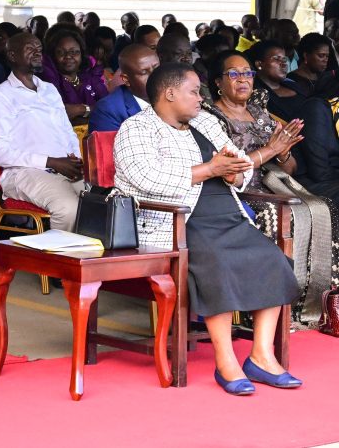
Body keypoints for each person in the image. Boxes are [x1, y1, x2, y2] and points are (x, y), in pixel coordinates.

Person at [114, 63, 301, 394]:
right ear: (170, 94)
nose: (201, 98)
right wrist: (208, 168)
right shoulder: (137, 128)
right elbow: (145, 177)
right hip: (178, 221)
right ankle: (226, 360)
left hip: (226, 216)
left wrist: (233, 175)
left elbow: (240, 165)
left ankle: (260, 356)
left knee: (270, 258)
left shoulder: (206, 122)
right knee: (217, 263)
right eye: (194, 91)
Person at [202, 50, 339, 322]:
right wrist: (270, 148)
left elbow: (289, 169)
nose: (243, 80)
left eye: (248, 74)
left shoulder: (260, 112)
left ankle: (316, 301)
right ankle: (272, 306)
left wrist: (284, 151)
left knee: (322, 208)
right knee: (279, 215)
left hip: (277, 186)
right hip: (238, 190)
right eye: (234, 74)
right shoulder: (211, 118)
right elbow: (229, 167)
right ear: (218, 81)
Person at [0, 32, 85, 230]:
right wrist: (50, 162)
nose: (37, 53)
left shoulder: (49, 90)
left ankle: (85, 258)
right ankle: (58, 260)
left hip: (64, 168)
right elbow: (0, 152)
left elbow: (68, 132)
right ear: (12, 55)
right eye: (30, 49)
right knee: (68, 208)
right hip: (24, 173)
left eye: (39, 49)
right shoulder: (2, 96)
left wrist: (77, 160)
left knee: (101, 204)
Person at [41, 28, 108, 124]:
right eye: (61, 52)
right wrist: (93, 112)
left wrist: (80, 109)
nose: (68, 56)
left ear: (82, 54)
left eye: (74, 52)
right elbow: (58, 116)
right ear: (53, 56)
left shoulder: (89, 78)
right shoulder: (49, 82)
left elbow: (108, 107)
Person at [89, 44, 160, 131]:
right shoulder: (107, 110)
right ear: (126, 80)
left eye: (157, 68)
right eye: (144, 72)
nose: (155, 76)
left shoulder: (174, 94)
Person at [288, 32, 337, 97]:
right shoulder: (290, 81)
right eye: (321, 56)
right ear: (306, 55)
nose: (325, 60)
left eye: (327, 56)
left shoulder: (326, 78)